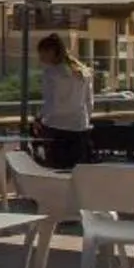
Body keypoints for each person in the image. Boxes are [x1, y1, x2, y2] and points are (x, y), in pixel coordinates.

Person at [36, 33, 93, 168]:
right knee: (77, 169)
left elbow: (50, 103)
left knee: (56, 169)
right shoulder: (83, 72)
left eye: (42, 53)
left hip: (56, 126)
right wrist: (85, 120)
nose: (40, 57)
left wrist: (40, 118)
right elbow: (89, 101)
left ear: (51, 52)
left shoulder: (51, 73)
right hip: (79, 126)